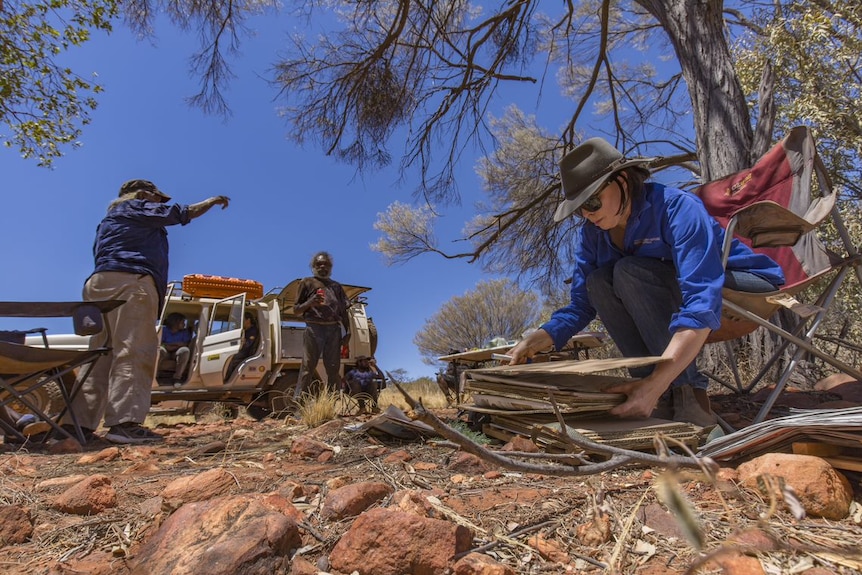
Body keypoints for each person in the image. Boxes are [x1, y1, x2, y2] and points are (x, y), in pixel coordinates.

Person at [508, 138, 785, 427]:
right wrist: (543, 335)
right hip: (680, 291)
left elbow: (701, 297)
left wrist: (661, 379)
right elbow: (582, 304)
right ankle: (649, 388)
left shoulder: (677, 208)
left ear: (623, 181)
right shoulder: (593, 235)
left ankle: (686, 393)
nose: (587, 214)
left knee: (628, 271)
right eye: (579, 209)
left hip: (742, 285)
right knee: (599, 281)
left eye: (591, 201)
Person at [60, 179, 229, 444]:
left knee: (99, 355)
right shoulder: (137, 207)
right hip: (131, 281)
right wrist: (211, 201)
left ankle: (77, 426)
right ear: (142, 194)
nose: (158, 204)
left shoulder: (108, 220)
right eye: (156, 199)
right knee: (134, 349)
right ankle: (125, 424)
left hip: (99, 283)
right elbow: (179, 214)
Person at [293, 251, 351, 400]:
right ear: (313, 266)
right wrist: (310, 302)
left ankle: (332, 404)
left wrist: (348, 333)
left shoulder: (336, 287)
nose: (323, 267)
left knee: (333, 368)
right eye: (319, 264)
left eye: (326, 264)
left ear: (331, 267)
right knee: (308, 367)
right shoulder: (306, 282)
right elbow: (296, 310)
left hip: (333, 329)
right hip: (314, 328)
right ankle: (299, 405)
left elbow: (344, 311)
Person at [158, 312, 192, 386]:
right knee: (160, 350)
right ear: (175, 322)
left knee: (185, 350)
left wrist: (171, 345)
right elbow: (160, 343)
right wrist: (176, 344)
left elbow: (185, 344)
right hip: (165, 351)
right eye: (182, 322)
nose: (184, 324)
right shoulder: (164, 330)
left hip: (176, 352)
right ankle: (155, 375)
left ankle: (177, 378)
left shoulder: (185, 332)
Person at [225, 311, 260, 381]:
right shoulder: (245, 330)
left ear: (248, 320)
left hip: (245, 352)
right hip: (241, 350)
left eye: (242, 320)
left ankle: (227, 379)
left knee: (229, 359)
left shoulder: (252, 331)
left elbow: (247, 344)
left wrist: (242, 341)